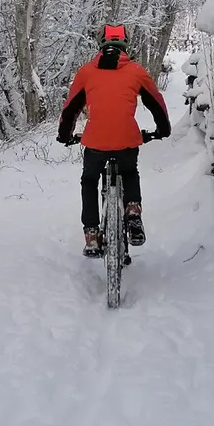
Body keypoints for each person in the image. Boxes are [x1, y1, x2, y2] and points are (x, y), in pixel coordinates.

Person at [56, 25, 170, 257]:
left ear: (101, 44)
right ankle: (133, 211)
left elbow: (70, 110)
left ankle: (91, 236)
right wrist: (162, 130)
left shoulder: (86, 72)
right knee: (130, 173)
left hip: (95, 142)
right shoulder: (137, 72)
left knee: (89, 180)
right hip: (127, 140)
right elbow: (156, 103)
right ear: (125, 44)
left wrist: (65, 136)